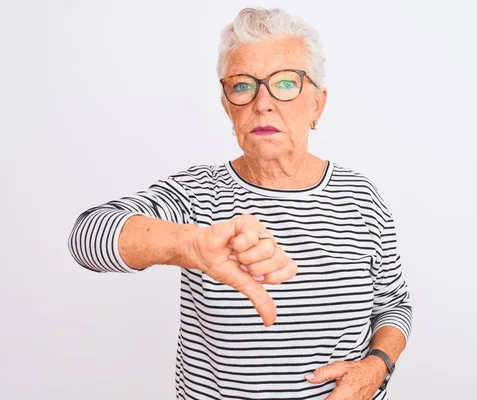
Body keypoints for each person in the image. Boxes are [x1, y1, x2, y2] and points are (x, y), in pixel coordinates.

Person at [67, 7, 412, 400]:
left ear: (318, 104)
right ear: (227, 106)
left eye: (285, 82)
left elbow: (395, 305)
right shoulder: (197, 194)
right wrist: (191, 246)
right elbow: (87, 236)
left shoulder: (360, 197)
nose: (262, 103)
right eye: (243, 86)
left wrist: (376, 367)